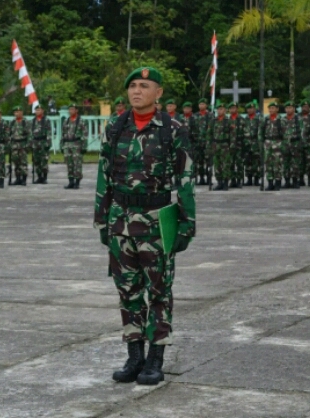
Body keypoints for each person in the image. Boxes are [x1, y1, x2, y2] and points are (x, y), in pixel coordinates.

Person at [94, 66, 195, 386]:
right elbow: (104, 175)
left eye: (144, 86)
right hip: (121, 222)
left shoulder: (173, 128)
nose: (137, 91)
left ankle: (156, 357)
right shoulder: (115, 126)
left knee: (159, 291)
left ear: (159, 93)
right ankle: (134, 354)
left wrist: (187, 223)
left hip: (156, 221)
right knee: (128, 290)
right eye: (133, 86)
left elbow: (186, 179)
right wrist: (101, 218)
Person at [61, 103, 88, 189]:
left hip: (77, 144)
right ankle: (71, 181)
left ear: (76, 110)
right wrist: (61, 145)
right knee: (69, 163)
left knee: (77, 164)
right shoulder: (66, 121)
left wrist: (84, 146)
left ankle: (77, 182)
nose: (71, 111)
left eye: (73, 109)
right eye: (70, 109)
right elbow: (63, 134)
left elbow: (85, 134)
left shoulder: (81, 121)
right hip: (67, 144)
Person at [259, 102, 285, 191]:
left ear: (277, 109)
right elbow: (260, 132)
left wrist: (284, 144)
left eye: (273, 108)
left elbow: (286, 133)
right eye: (270, 108)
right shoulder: (265, 119)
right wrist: (261, 142)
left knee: (277, 163)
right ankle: (270, 182)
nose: (271, 110)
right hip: (267, 143)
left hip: (278, 142)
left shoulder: (281, 120)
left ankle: (278, 183)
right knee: (268, 163)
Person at [208, 101, 233, 191]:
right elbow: (209, 134)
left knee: (225, 164)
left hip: (225, 145)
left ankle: (226, 183)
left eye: (221, 109)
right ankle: (220, 182)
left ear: (225, 110)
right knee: (217, 164)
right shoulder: (213, 121)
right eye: (218, 109)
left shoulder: (229, 121)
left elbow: (232, 134)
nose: (220, 111)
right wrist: (209, 146)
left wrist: (232, 146)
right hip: (216, 144)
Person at [8, 106, 31, 186]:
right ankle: (18, 178)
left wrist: (28, 145)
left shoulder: (25, 122)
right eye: (16, 112)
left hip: (23, 145)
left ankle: (24, 179)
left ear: (22, 112)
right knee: (16, 163)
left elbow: (29, 135)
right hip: (14, 145)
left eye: (19, 111)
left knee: (23, 162)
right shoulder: (12, 122)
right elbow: (9, 134)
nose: (17, 113)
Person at [282, 101, 302, 189]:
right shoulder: (282, 120)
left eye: (290, 108)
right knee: (285, 163)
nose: (288, 109)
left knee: (295, 163)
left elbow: (303, 132)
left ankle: (295, 181)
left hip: (295, 144)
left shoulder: (298, 119)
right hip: (285, 144)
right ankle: (287, 181)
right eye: (287, 108)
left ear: (293, 109)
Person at [31, 104, 52, 184]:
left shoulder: (46, 120)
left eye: (39, 110)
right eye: (36, 110)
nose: (38, 111)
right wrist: (31, 143)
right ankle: (39, 176)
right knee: (36, 160)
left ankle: (45, 177)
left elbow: (49, 133)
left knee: (44, 160)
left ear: (42, 111)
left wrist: (48, 143)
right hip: (35, 142)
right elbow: (31, 133)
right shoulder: (33, 121)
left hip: (43, 142)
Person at [243, 102, 262, 186]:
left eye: (252, 108)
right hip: (247, 143)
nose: (250, 110)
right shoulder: (245, 119)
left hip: (255, 143)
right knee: (247, 162)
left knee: (256, 162)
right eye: (248, 109)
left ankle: (257, 179)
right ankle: (249, 178)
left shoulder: (259, 119)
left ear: (255, 109)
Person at [194, 99, 212, 186]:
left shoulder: (210, 115)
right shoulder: (195, 116)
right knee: (199, 161)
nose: (201, 105)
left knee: (208, 161)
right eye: (200, 104)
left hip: (207, 142)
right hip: (198, 142)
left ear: (206, 105)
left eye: (203, 104)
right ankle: (201, 178)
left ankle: (209, 178)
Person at [299, 100, 310, 186]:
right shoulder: (298, 117)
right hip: (299, 143)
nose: (305, 108)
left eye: (306, 107)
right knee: (300, 162)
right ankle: (301, 179)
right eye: (303, 107)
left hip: (309, 143)